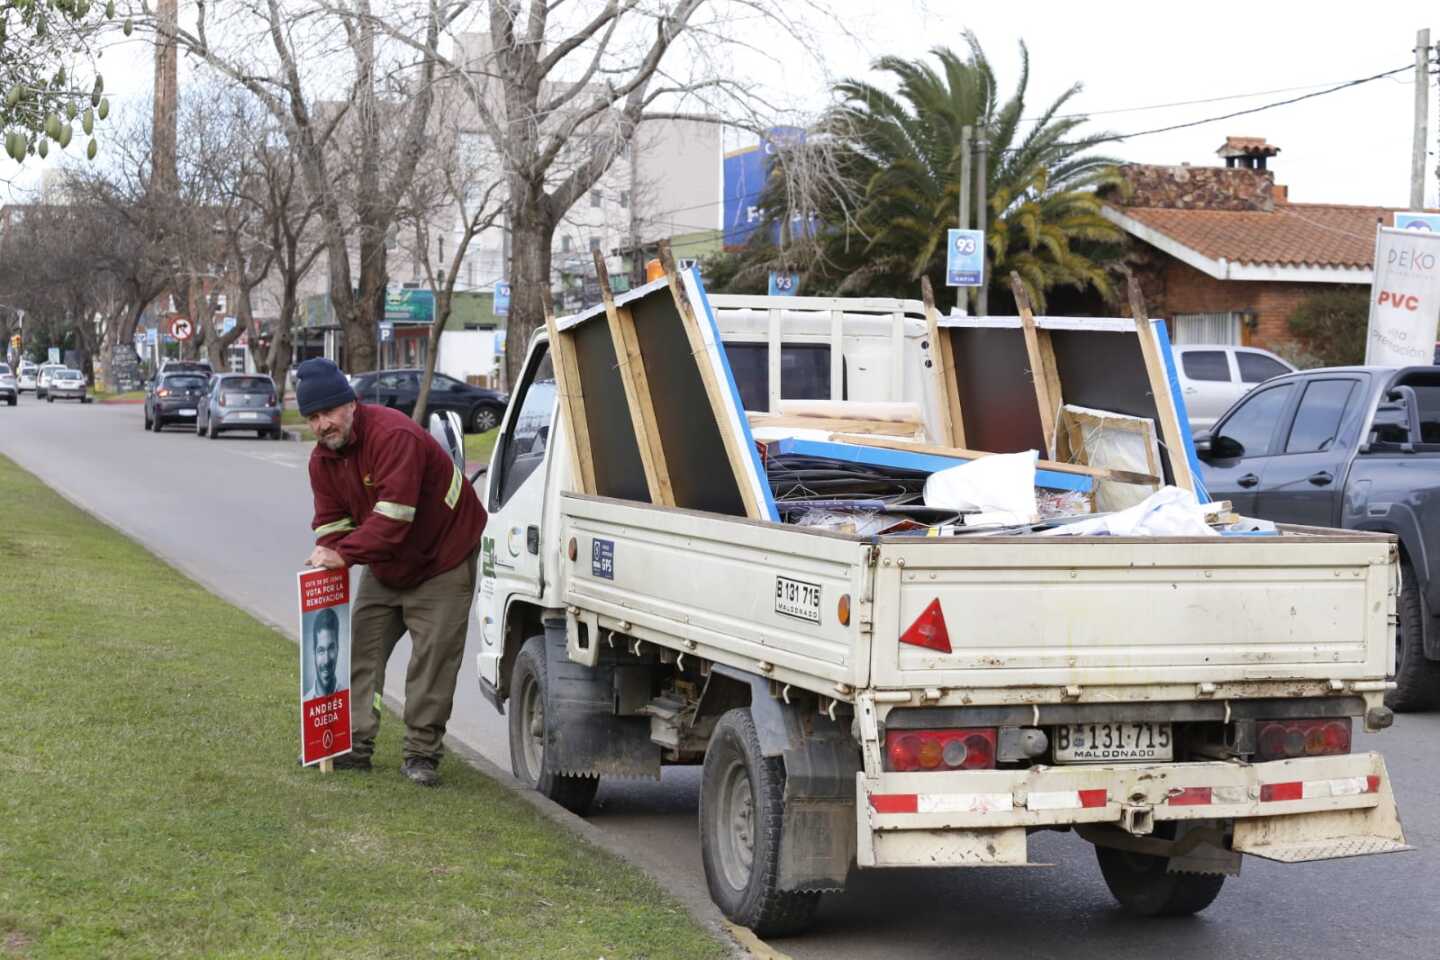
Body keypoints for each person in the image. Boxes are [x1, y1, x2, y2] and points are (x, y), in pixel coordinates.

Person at [298, 357, 487, 786]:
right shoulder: (322, 460)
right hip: (386, 564)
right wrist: (327, 549)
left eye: (328, 411)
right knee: (360, 652)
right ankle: (353, 748)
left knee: (432, 662)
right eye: (312, 417)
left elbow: (394, 519)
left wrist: (342, 554)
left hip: (443, 559)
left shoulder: (393, 435)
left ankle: (421, 755)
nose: (322, 424)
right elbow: (331, 521)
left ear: (350, 404)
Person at [303, 607, 341, 701]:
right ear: (314, 653)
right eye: (321, 650)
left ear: (338, 648)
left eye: (331, 648)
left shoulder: (348, 699)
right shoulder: (306, 701)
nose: (326, 660)